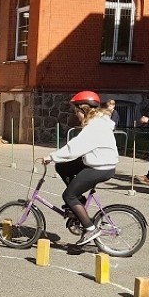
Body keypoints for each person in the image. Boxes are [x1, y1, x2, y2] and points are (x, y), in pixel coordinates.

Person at [44, 91, 119, 246]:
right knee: (63, 166)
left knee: (68, 196)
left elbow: (75, 148)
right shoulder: (99, 121)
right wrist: (57, 159)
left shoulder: (94, 126)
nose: (76, 115)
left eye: (76, 111)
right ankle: (79, 201)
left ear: (84, 110)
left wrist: (51, 156)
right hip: (99, 161)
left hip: (101, 167)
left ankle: (90, 228)